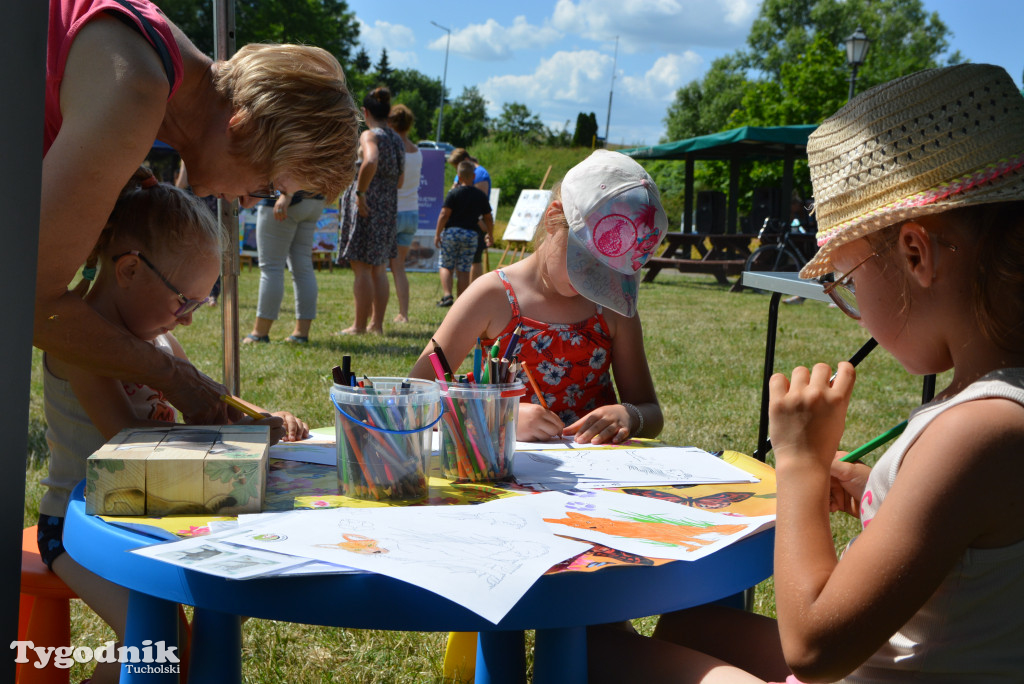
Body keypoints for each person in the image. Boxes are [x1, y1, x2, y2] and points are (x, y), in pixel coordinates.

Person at [591, 64, 1024, 683]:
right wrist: (879, 488)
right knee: (691, 625)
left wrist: (798, 465)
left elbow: (814, 647)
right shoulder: (998, 404)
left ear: (915, 253)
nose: (848, 303)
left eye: (845, 281)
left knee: (602, 653)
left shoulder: (976, 433)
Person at [38, 169, 309, 683]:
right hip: (78, 526)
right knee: (159, 643)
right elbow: (125, 442)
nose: (185, 320)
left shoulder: (158, 342)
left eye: (198, 306)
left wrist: (258, 419)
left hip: (149, 512)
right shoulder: (80, 347)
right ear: (130, 271)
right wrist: (229, 443)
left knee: (236, 586)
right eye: (182, 301)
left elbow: (209, 397)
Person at [39, 0, 359, 426]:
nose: (247, 202)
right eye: (268, 187)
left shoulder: (156, 56)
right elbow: (31, 306)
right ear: (242, 126)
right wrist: (173, 377)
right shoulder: (135, 91)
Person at [412, 150, 666, 444]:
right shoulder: (491, 296)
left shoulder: (613, 305)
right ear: (553, 218)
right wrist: (498, 418)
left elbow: (651, 412)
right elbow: (415, 396)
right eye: (586, 266)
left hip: (596, 482)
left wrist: (630, 415)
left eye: (611, 273)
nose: (595, 282)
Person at [338, 87, 404, 335]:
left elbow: (371, 160)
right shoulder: (396, 138)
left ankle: (358, 326)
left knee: (362, 267)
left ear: (364, 112)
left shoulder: (370, 135)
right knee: (378, 266)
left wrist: (361, 193)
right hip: (388, 205)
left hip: (367, 205)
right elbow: (400, 179)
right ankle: (376, 324)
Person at [242, 189, 327, 344]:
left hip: (285, 200)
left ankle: (260, 333)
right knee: (303, 266)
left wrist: (287, 195)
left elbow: (289, 165)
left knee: (271, 268)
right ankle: (301, 333)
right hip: (314, 199)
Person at [434, 160, 495, 306]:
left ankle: (447, 295)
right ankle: (461, 302)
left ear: (459, 177)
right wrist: (490, 234)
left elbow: (444, 214)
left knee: (446, 265)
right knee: (464, 269)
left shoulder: (453, 193)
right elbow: (488, 217)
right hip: (471, 235)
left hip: (452, 233)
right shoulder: (480, 196)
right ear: (474, 176)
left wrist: (437, 234)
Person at [388, 103, 422, 323]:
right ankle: (404, 313)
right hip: (412, 213)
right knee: (399, 267)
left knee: (377, 269)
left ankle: (374, 317)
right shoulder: (417, 151)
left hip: (393, 213)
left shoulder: (392, 148)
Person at [448, 148, 493, 282]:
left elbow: (480, 203)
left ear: (466, 161)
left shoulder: (480, 174)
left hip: (475, 224)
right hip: (461, 223)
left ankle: (474, 291)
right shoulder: (463, 172)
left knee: (475, 259)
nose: (457, 170)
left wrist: (483, 226)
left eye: (457, 166)